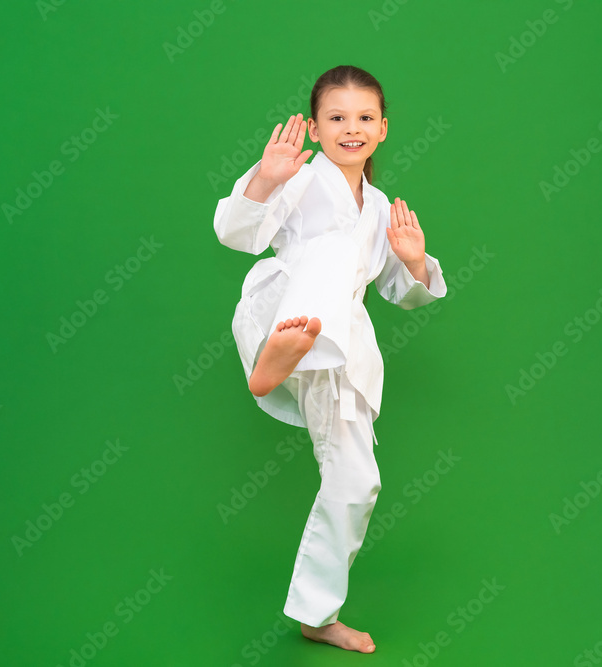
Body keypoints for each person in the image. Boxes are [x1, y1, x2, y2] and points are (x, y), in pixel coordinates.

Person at [212, 65, 447, 654]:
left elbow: (402, 291)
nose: (351, 128)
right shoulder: (296, 177)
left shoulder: (380, 205)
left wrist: (413, 261)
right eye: (336, 118)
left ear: (383, 129)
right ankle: (273, 364)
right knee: (330, 256)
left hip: (340, 348)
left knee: (356, 483)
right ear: (314, 129)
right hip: (287, 313)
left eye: (365, 117)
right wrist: (265, 180)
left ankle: (317, 614)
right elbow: (234, 233)